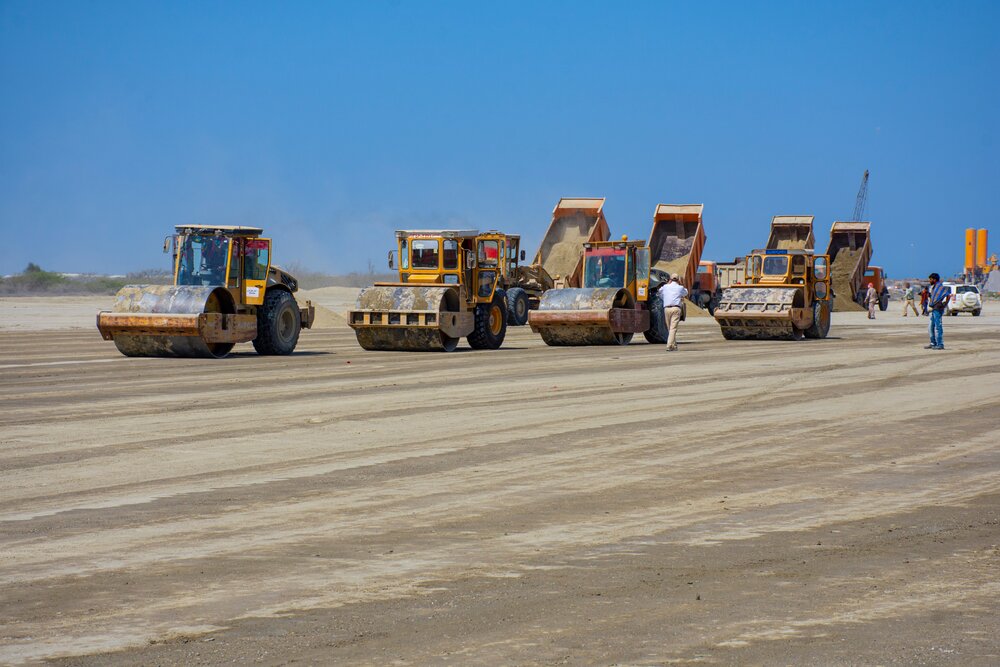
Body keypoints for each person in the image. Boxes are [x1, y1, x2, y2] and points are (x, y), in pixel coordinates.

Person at [658, 275, 688, 351]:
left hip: (666, 309)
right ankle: (669, 346)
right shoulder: (680, 288)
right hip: (676, 308)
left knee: (670, 329)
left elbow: (660, 292)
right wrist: (681, 284)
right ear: (678, 280)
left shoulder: (665, 287)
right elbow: (686, 293)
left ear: (670, 280)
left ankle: (673, 346)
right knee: (673, 329)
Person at [925, 272, 948, 350]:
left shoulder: (940, 287)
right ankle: (933, 343)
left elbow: (948, 295)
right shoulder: (933, 287)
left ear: (934, 279)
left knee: (938, 326)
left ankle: (940, 344)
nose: (929, 281)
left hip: (938, 309)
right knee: (930, 327)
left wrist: (945, 304)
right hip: (933, 309)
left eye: (930, 279)